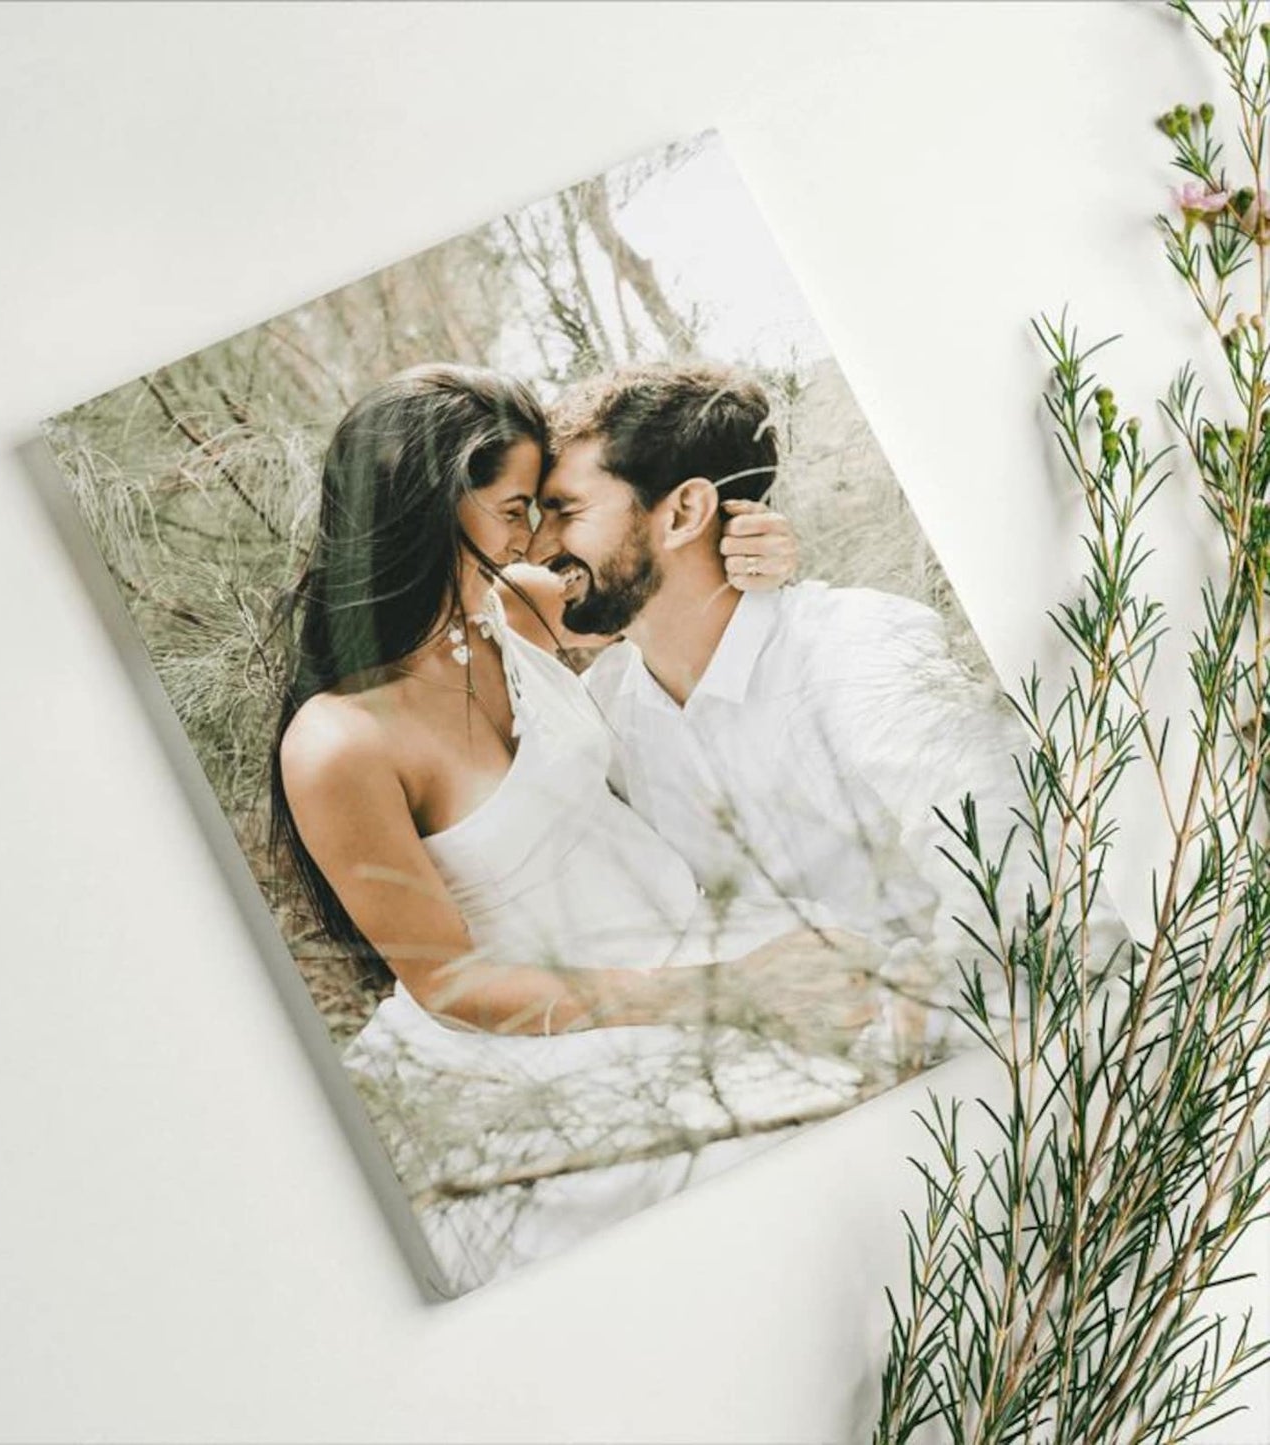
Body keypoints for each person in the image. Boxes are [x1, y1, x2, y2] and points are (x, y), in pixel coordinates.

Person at [269, 364, 890, 1294]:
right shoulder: (338, 744)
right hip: (548, 1032)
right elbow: (450, 984)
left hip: (693, 931)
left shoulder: (510, 605)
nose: (536, 537)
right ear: (428, 508)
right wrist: (728, 993)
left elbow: (656, 580)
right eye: (514, 509)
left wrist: (758, 544)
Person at [524, 361, 1124, 1018]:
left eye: (564, 511)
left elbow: (1037, 900)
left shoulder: (859, 650)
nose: (535, 545)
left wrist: (894, 1023)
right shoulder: (605, 710)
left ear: (684, 512)